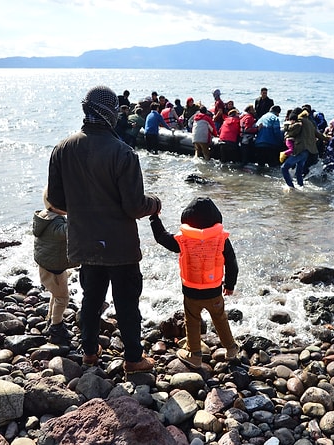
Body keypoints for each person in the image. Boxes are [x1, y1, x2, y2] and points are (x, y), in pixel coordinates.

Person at [47, 84, 161, 372]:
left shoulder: (63, 148)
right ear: (111, 114)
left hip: (85, 242)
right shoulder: (123, 153)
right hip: (120, 245)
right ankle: (134, 359)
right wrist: (155, 203)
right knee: (126, 304)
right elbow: (135, 207)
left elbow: (56, 201)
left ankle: (89, 351)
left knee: (91, 299)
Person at [149, 197, 239, 368]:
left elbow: (161, 237)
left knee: (192, 320)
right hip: (214, 291)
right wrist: (230, 285)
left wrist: (154, 217)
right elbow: (232, 263)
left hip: (191, 292)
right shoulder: (221, 239)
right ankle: (231, 348)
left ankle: (195, 354)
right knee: (220, 319)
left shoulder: (183, 240)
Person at [33, 188, 77, 345]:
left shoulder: (45, 216)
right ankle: (56, 325)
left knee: (55, 294)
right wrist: (79, 216)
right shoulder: (55, 223)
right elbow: (68, 231)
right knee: (62, 297)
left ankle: (50, 320)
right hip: (54, 269)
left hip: (48, 265)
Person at [281, 108, 325, 190]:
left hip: (300, 149)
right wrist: (327, 138)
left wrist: (286, 126)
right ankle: (301, 187)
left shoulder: (299, 121)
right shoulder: (310, 122)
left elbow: (293, 130)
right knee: (299, 171)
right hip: (308, 151)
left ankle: (291, 188)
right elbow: (318, 134)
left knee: (284, 168)